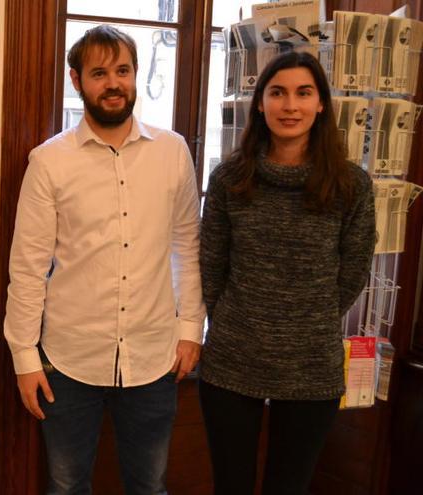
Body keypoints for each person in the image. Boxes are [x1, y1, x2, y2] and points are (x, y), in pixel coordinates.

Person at [4, 24, 205, 495]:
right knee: (66, 486)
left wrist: (190, 330)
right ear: (77, 80)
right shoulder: (49, 162)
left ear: (135, 75)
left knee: (150, 486)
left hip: (154, 356)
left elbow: (186, 246)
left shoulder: (173, 153)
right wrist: (24, 356)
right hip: (69, 359)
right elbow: (28, 266)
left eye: (123, 70)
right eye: (99, 73)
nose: (113, 83)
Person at [199, 51, 376, 494]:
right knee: (231, 486)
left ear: (321, 105)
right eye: (277, 93)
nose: (290, 106)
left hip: (311, 364)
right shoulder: (229, 179)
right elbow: (211, 265)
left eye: (303, 93)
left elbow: (353, 272)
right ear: (260, 103)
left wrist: (304, 319)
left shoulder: (352, 185)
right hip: (232, 360)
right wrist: (241, 322)